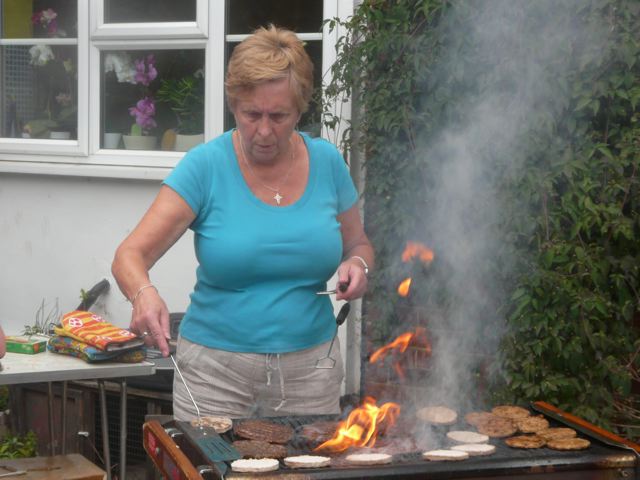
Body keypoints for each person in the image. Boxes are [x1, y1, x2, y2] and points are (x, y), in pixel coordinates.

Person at [111, 25, 374, 419]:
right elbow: (129, 255)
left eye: (279, 116)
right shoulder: (206, 166)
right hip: (215, 375)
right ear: (234, 104)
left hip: (311, 373)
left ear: (301, 110)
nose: (264, 131)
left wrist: (358, 265)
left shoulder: (327, 163)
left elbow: (359, 245)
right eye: (252, 114)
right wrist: (143, 293)